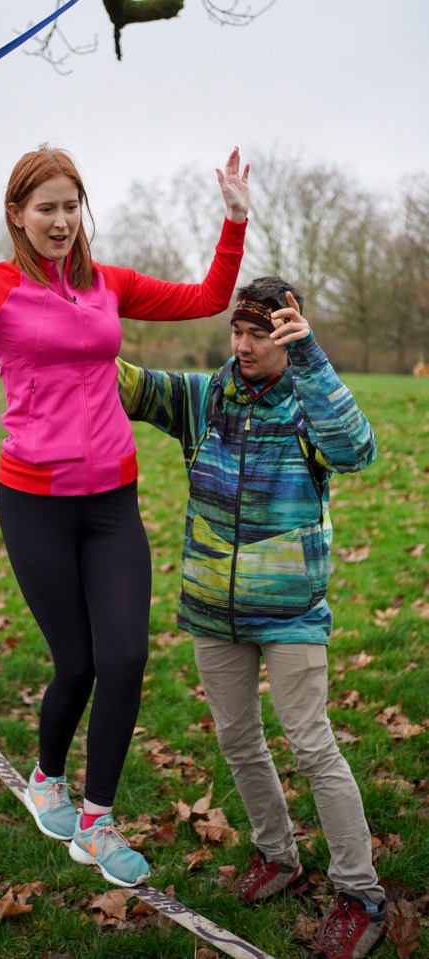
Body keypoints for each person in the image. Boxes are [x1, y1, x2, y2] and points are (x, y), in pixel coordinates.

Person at [0, 134, 249, 888]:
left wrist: (232, 224)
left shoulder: (108, 286)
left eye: (71, 206)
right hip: (34, 502)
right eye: (47, 208)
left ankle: (95, 821)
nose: (62, 220)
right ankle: (46, 780)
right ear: (18, 214)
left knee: (125, 657)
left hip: (112, 502)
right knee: (75, 662)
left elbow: (206, 299)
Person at [117, 277, 387, 955]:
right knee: (239, 740)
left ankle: (362, 892)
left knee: (312, 745)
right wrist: (68, 320)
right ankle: (279, 855)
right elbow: (133, 385)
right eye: (236, 331)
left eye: (257, 333)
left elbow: (358, 450)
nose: (241, 344)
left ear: (288, 334)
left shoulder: (308, 401)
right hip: (214, 612)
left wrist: (313, 362)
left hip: (291, 613)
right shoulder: (209, 396)